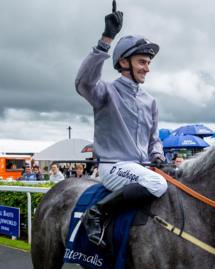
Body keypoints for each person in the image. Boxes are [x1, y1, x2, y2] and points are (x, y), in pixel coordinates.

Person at [75, 10, 167, 247]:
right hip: (113, 168)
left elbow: (154, 139)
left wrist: (157, 154)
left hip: (140, 169)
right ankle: (95, 212)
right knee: (158, 184)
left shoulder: (151, 101)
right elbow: (83, 83)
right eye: (142, 62)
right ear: (123, 62)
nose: (147, 68)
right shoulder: (105, 91)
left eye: (148, 63)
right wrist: (106, 40)